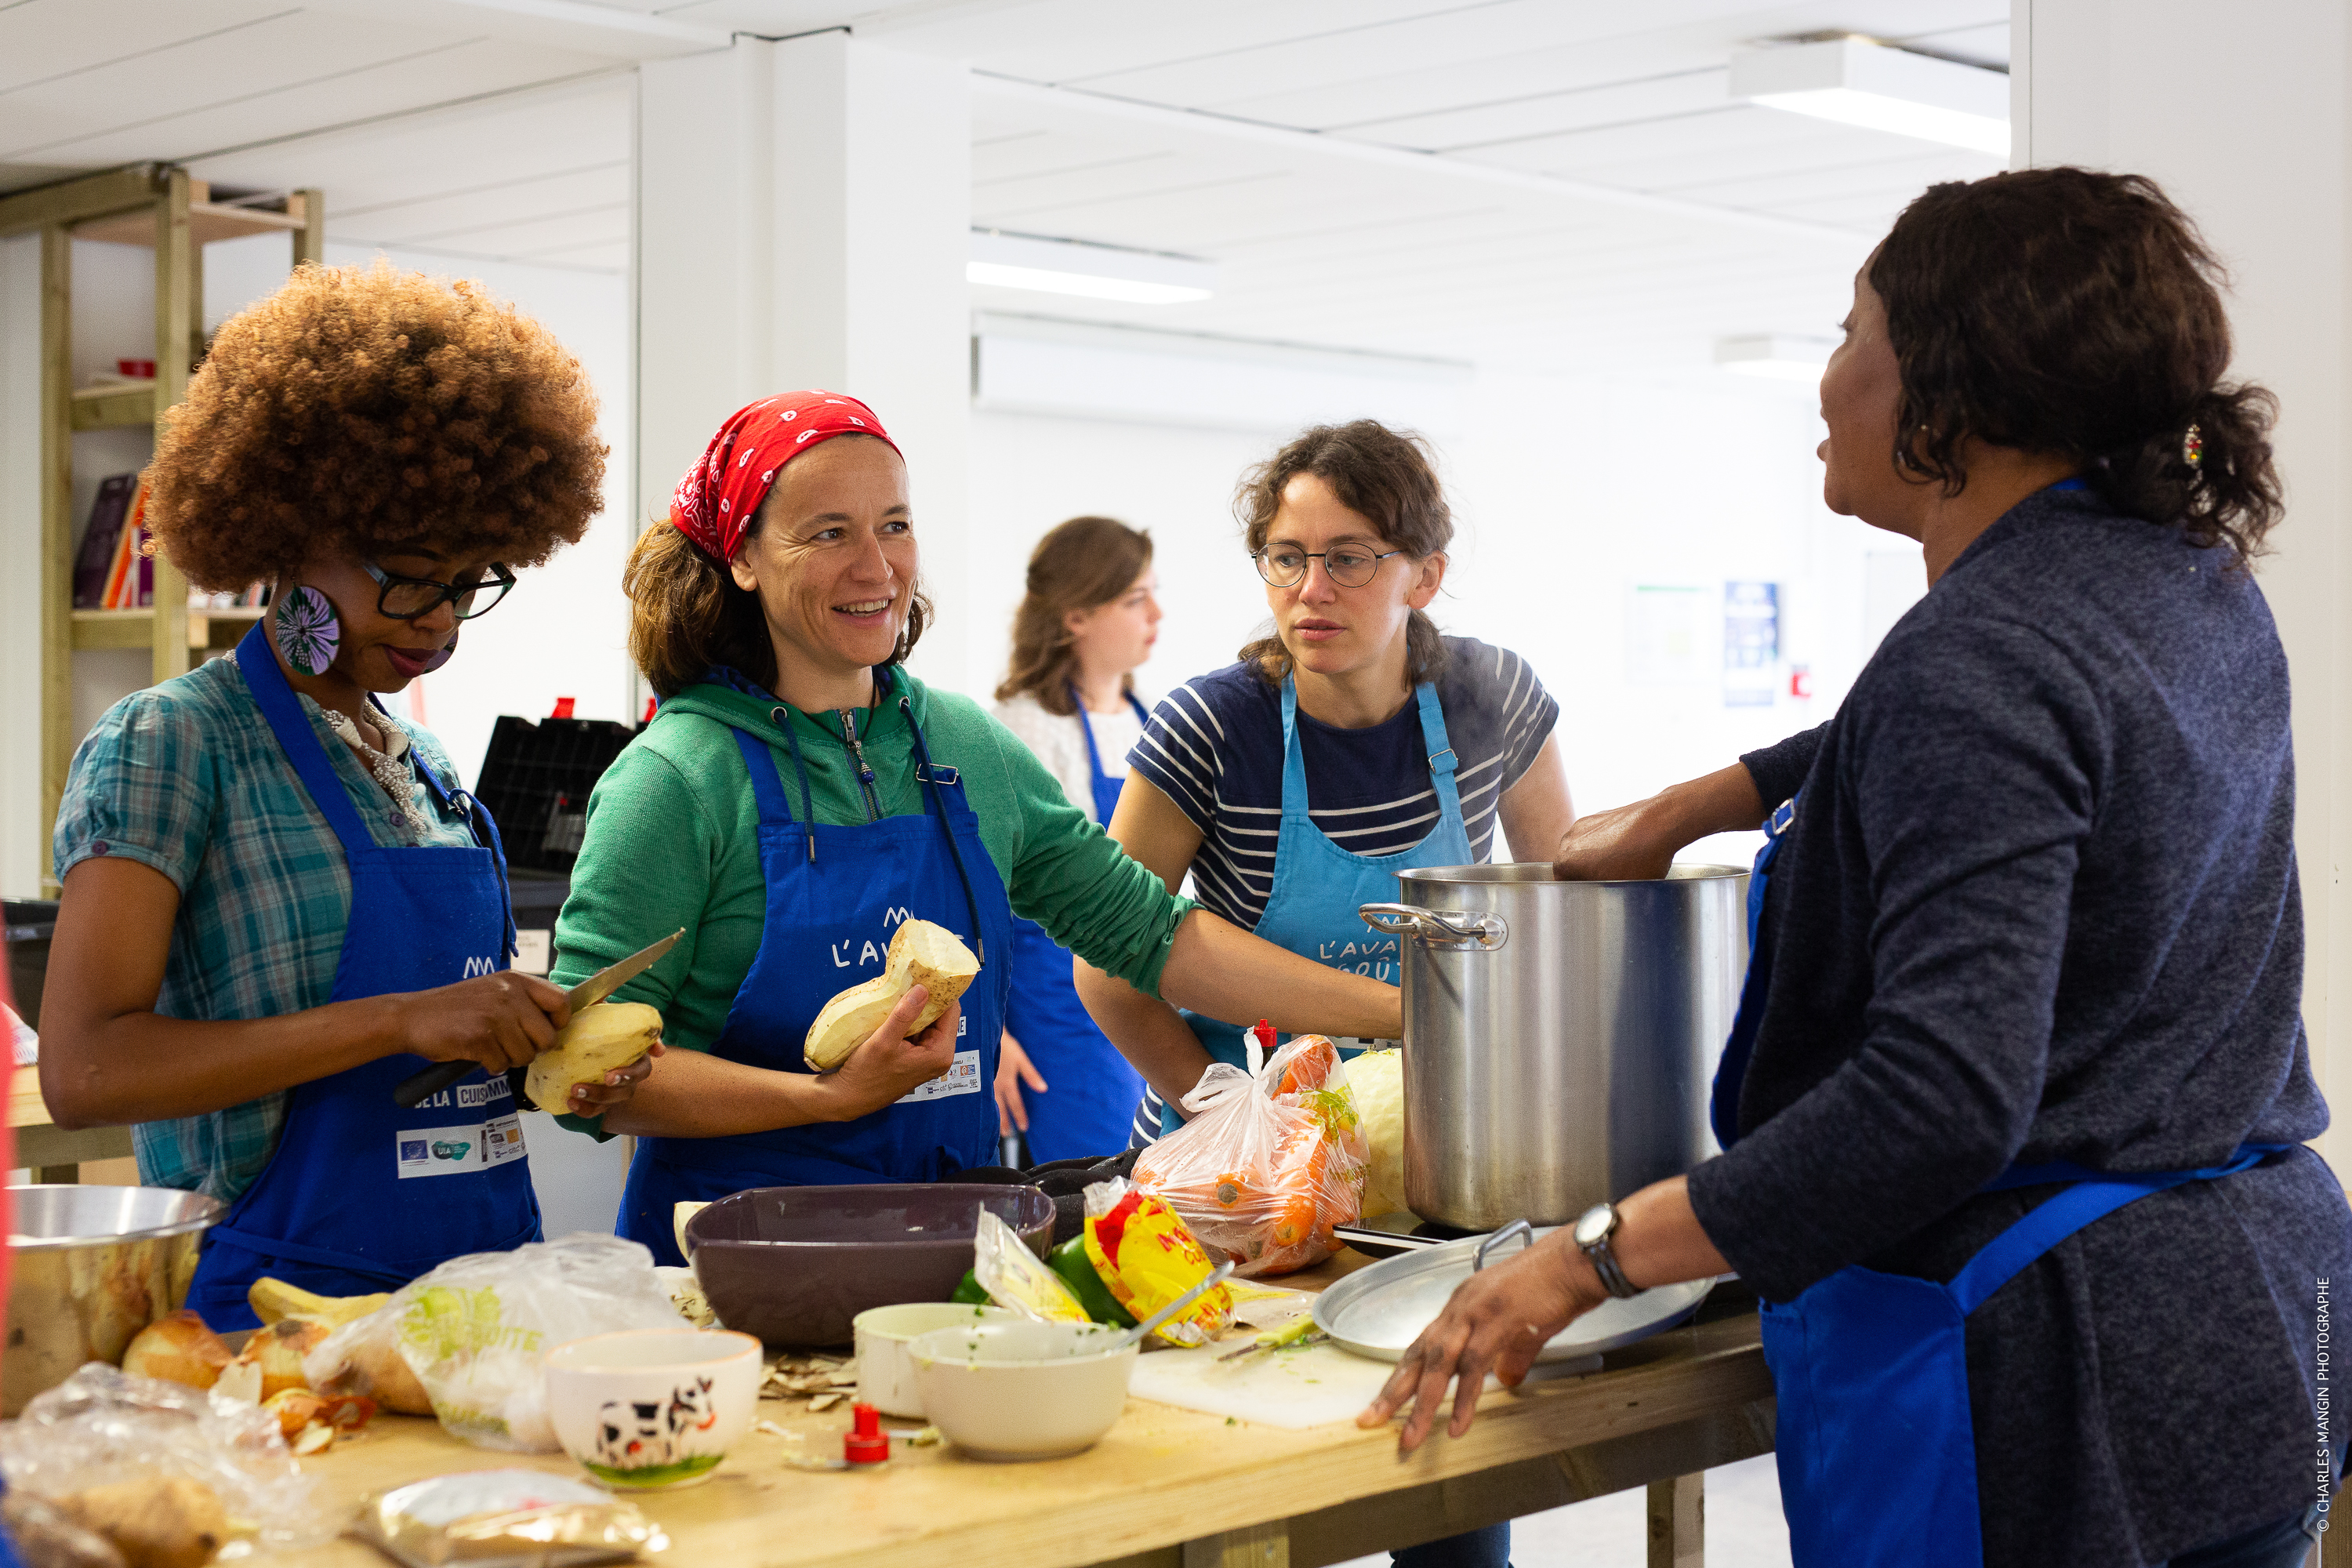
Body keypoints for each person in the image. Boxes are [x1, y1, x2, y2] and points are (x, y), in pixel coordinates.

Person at [1359, 169, 2348, 1568]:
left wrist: (1583, 1257)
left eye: (1851, 333)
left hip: (2057, 1380)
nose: (1826, 385)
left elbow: (1940, 1099)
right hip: (2251, 1314)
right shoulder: (2182, 582)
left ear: (1953, 387)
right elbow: (2010, 733)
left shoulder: (1982, 658)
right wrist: (1715, 796)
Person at [554, 391, 1403, 1266]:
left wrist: (1405, 1014)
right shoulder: (677, 777)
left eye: (894, 525)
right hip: (730, 1274)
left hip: (947, 1251)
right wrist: (825, 1096)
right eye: (827, 533)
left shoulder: (963, 748)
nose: (876, 566)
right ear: (742, 558)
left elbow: (1153, 935)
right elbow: (591, 1073)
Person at [39, 263, 648, 1330]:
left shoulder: (427, 768)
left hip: (481, 1287)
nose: (440, 622)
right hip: (271, 1299)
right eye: (409, 574)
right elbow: (87, 1071)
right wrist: (405, 1020)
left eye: (470, 581)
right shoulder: (174, 743)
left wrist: (540, 1053)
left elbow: (449, 1044)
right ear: (287, 533)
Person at [1076, 420, 1574, 1149]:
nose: (1311, 590)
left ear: (1426, 577)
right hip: (1234, 1153)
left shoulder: (1494, 697)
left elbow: (1563, 916)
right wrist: (1237, 1133)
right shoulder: (1210, 728)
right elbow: (1106, 969)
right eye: (1286, 558)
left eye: (1348, 560)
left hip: (1430, 1139)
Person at [990, 517, 1161, 1161]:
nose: (1157, 613)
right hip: (1053, 1021)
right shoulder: (1019, 733)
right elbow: (976, 897)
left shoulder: (1157, 723)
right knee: (1091, 1194)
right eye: (1135, 599)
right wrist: (991, 1034)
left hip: (1151, 999)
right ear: (1075, 618)